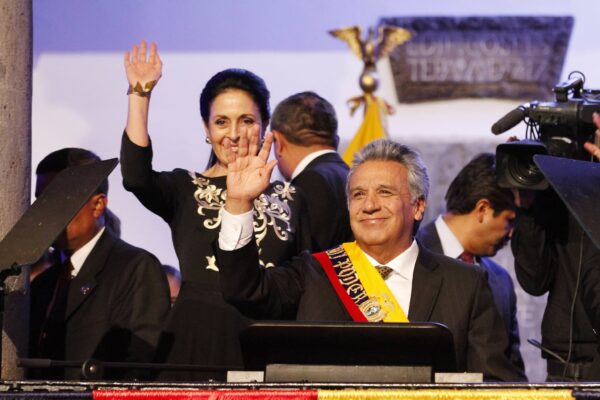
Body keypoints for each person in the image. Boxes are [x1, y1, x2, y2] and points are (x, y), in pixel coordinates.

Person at [215, 136, 526, 381]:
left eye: (385, 193)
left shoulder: (467, 284)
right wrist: (240, 202)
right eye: (358, 195)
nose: (369, 205)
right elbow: (245, 290)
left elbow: (494, 384)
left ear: (418, 207)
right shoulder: (313, 273)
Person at [120, 41, 310, 380]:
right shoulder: (184, 188)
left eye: (247, 120)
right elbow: (136, 176)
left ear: (265, 125)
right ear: (207, 130)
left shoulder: (292, 197)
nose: (234, 134)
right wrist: (139, 94)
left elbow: (305, 274)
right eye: (221, 122)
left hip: (267, 344)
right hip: (195, 343)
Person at [29, 148, 170, 380]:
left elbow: (139, 366)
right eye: (40, 201)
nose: (45, 213)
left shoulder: (136, 268)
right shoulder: (43, 282)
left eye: (56, 201)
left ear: (97, 206)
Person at [416, 153, 525, 375]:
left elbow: (510, 370)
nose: (512, 233)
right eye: (509, 220)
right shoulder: (411, 255)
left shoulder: (501, 280)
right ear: (483, 209)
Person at [271, 91, 352, 251]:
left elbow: (305, 264)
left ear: (278, 141)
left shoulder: (308, 184)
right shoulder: (350, 175)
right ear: (335, 140)